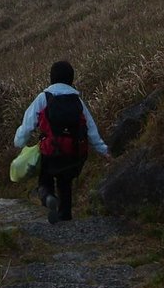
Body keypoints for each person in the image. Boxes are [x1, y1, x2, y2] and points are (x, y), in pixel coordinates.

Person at [13, 60, 110, 223]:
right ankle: (65, 215)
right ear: (71, 79)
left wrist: (19, 142)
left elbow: (28, 124)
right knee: (65, 183)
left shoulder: (44, 97)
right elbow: (91, 128)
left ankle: (48, 197)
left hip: (50, 151)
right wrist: (103, 150)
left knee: (45, 179)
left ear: (51, 78)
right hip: (73, 151)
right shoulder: (77, 101)